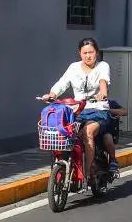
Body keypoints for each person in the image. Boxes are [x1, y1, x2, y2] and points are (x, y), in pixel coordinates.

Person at [41, 37, 119, 183]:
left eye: (91, 52)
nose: (88, 56)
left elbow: (103, 81)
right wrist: (51, 95)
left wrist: (103, 93)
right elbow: (62, 83)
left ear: (96, 53)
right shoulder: (73, 67)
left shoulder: (102, 66)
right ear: (80, 53)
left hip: (98, 111)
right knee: (63, 131)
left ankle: (88, 172)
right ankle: (67, 165)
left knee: (87, 132)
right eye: (84, 53)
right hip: (77, 111)